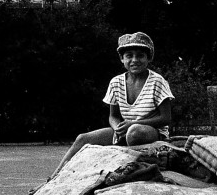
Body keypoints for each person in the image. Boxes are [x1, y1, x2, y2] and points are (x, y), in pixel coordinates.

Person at [50, 32, 174, 177]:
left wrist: (133, 124)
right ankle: (54, 177)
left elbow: (165, 118)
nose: (134, 60)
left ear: (148, 58)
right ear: (122, 59)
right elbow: (113, 116)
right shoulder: (116, 82)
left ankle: (129, 166)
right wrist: (117, 129)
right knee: (82, 138)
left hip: (151, 132)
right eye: (129, 56)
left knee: (134, 132)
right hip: (126, 130)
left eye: (140, 55)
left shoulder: (157, 81)